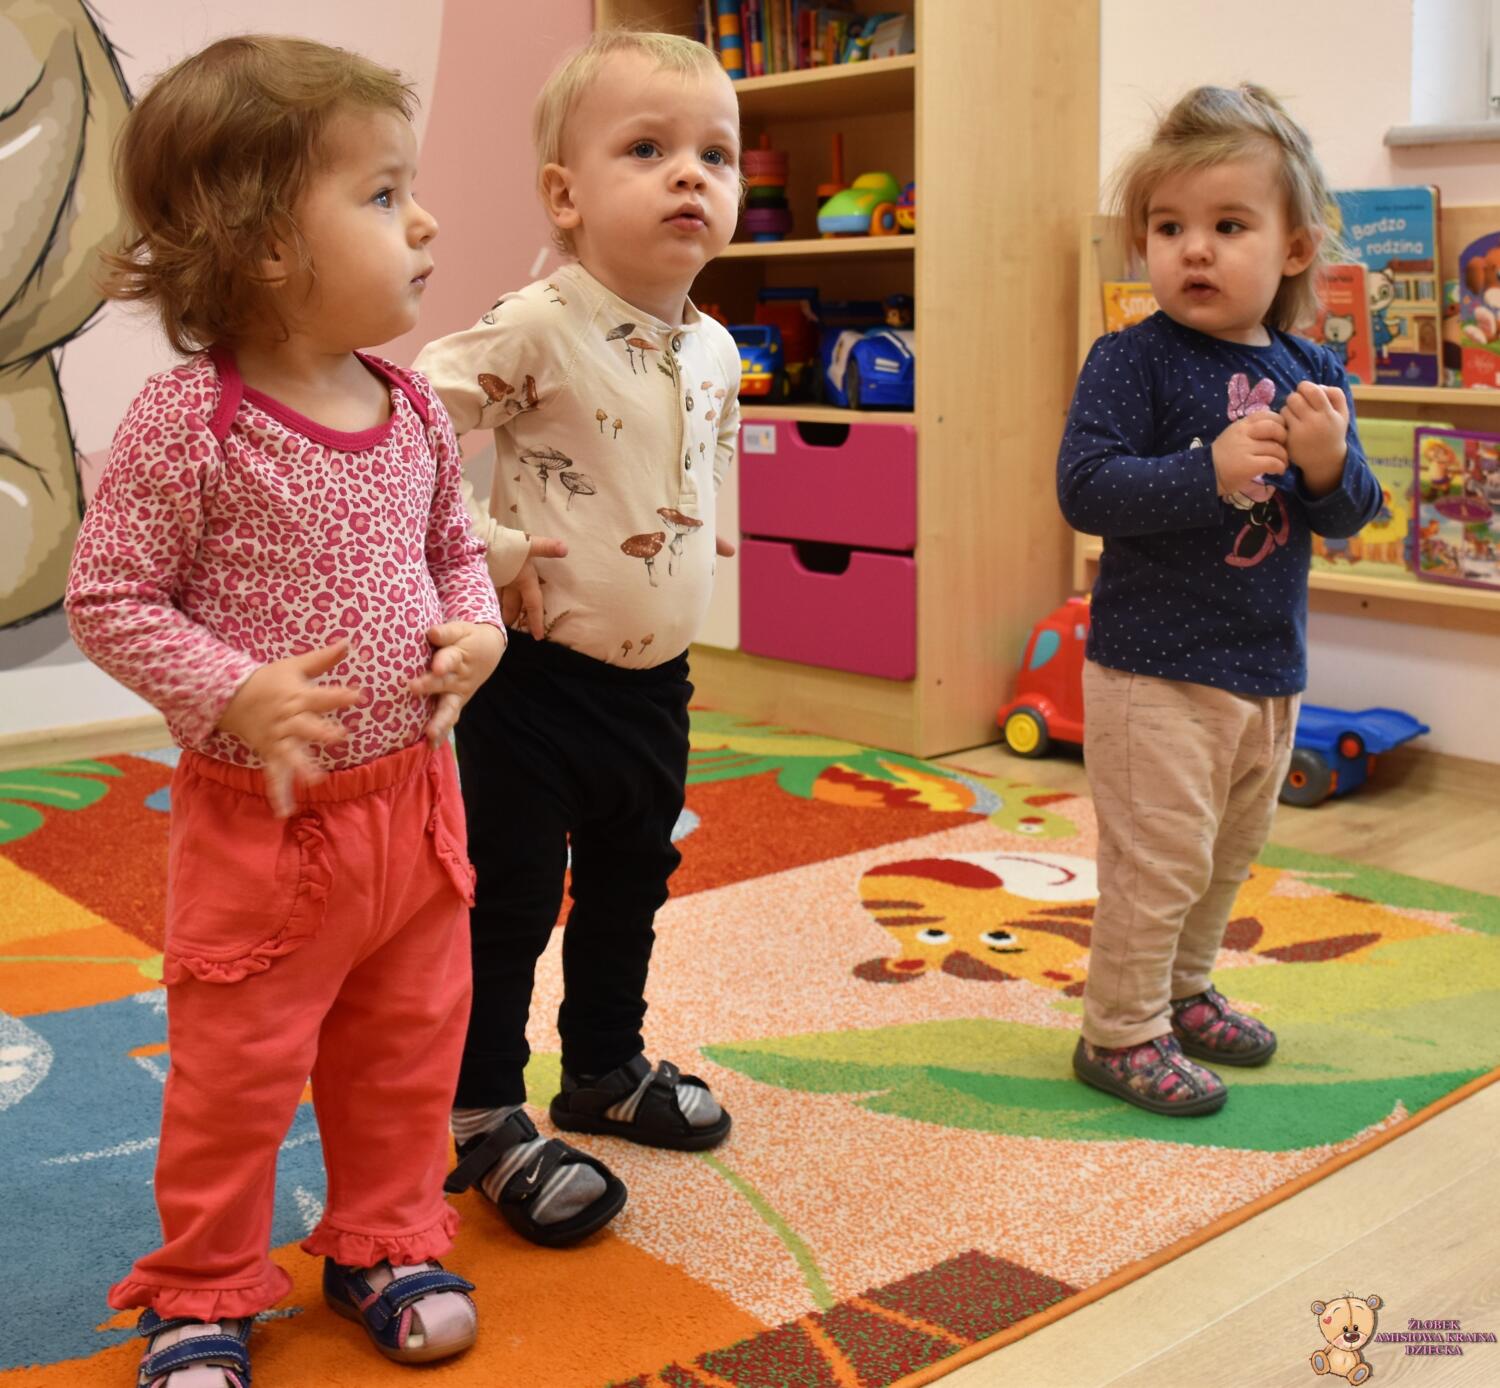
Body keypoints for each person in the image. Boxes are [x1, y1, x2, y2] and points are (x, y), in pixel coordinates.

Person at [65, 35, 505, 1383]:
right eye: (381, 195)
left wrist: (480, 629)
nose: (424, 222)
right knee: (237, 1075)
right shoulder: (192, 420)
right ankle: (203, 1289)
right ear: (261, 243)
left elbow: (454, 551)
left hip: (414, 818)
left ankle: (384, 1240)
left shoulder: (414, 408)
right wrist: (232, 693)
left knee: (406, 1051)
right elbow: (109, 598)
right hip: (267, 836)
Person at [414, 29, 741, 1244]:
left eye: (716, 154)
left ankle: (603, 1063)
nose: (690, 174)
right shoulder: (538, 322)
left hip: (657, 684)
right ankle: (483, 1109)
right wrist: (487, 548)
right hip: (535, 684)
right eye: (647, 149)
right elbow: (400, 430)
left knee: (630, 878)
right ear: (565, 194)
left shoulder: (716, 345)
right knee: (508, 901)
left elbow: (685, 473)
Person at [1056, 84, 1382, 1116]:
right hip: (1154, 670)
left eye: (1228, 226)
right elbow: (1087, 488)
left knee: (1227, 856)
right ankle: (1119, 1030)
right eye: (1169, 228)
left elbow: (1351, 515)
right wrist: (1207, 470)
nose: (1193, 250)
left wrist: (1327, 462)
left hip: (1267, 668)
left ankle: (1184, 991)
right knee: (1159, 861)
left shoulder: (1313, 370)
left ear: (1294, 249)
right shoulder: (1132, 359)